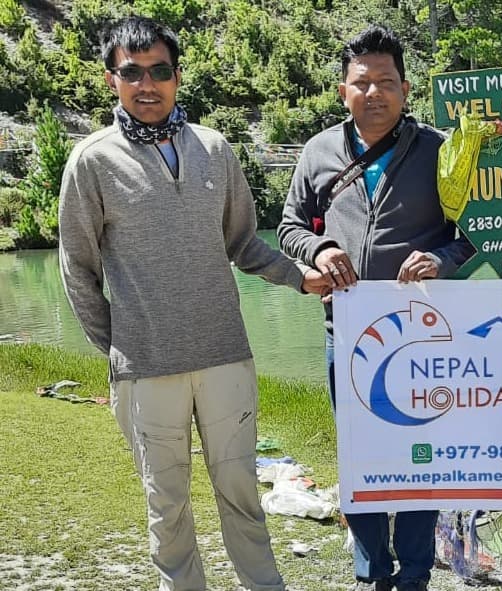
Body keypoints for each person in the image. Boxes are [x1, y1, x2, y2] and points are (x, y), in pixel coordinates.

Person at [58, 16, 330, 591]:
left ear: (177, 76)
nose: (147, 84)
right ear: (112, 80)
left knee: (242, 497)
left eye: (160, 71)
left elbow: (242, 243)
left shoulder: (214, 148)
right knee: (168, 507)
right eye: (132, 73)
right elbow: (78, 270)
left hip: (226, 356)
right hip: (145, 370)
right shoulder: (91, 161)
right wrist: (118, 351)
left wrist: (299, 277)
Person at [277, 25, 473, 591]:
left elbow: (476, 232)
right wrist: (320, 247)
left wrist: (440, 258)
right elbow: (290, 225)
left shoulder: (441, 151)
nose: (375, 93)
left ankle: (415, 575)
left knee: (419, 452)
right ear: (344, 90)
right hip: (348, 331)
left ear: (406, 89)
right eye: (362, 82)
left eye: (386, 82)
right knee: (360, 456)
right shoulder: (318, 152)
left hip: (425, 331)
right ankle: (371, 573)